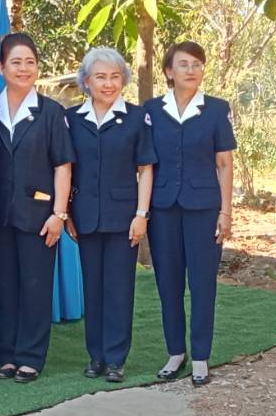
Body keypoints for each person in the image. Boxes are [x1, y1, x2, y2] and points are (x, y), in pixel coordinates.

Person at [144, 41, 236, 387]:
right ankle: (175, 353)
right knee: (167, 284)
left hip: (203, 209)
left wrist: (226, 212)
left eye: (197, 64)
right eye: (183, 64)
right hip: (163, 208)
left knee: (201, 284)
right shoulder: (152, 110)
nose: (191, 70)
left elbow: (225, 164)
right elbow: (145, 163)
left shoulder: (216, 110)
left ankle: (200, 356)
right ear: (169, 71)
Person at [0, 33, 74, 383]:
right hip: (1, 214)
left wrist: (59, 214)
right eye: (16, 62)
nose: (23, 69)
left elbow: (63, 166)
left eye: (30, 62)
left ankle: (30, 357)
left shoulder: (51, 112)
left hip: (40, 215)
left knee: (36, 286)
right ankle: (7, 355)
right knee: (7, 286)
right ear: (1, 67)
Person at [68, 47, 156, 384]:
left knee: (119, 288)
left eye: (114, 76)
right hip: (85, 216)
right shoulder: (72, 119)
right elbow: (67, 170)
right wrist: (67, 215)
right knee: (93, 288)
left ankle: (117, 358)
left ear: (124, 79)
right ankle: (96, 356)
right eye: (100, 77)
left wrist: (142, 214)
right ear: (86, 81)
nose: (108, 83)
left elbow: (145, 169)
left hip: (124, 217)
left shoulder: (137, 118)